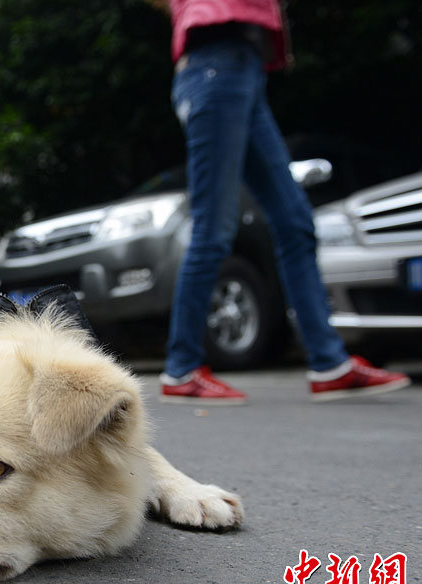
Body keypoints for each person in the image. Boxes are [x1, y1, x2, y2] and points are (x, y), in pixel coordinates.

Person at [149, 0, 410, 404]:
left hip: (245, 66)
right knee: (214, 227)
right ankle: (182, 367)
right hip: (215, 62)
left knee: (294, 221)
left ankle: (328, 363)